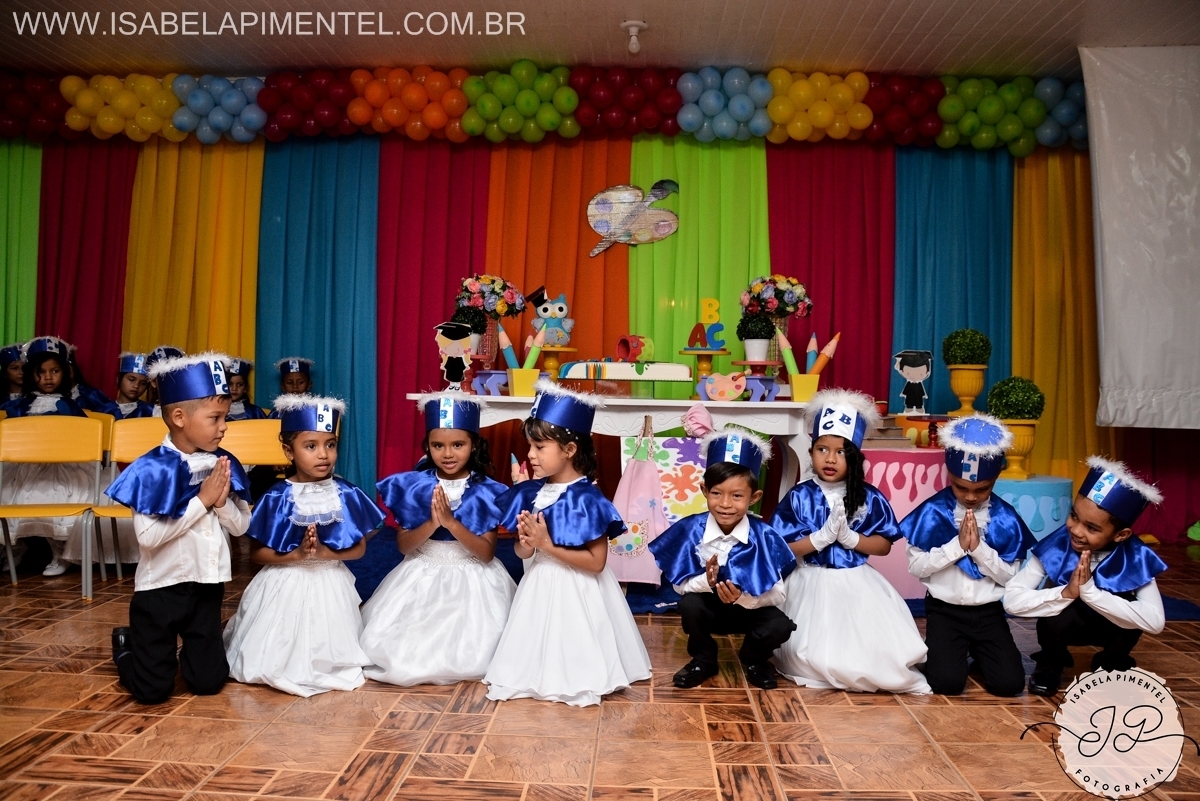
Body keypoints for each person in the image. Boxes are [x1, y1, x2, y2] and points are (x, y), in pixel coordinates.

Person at [484, 381, 651, 706]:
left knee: (574, 642)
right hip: (539, 584)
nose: (530, 454)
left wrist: (546, 544)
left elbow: (596, 563)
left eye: (539, 447)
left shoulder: (589, 500)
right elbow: (522, 551)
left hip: (580, 588)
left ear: (570, 449)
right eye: (530, 446)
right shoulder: (529, 493)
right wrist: (528, 543)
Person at [107, 352, 251, 705]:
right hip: (160, 590)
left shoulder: (224, 463)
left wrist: (222, 503)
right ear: (179, 417)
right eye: (215, 418)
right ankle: (127, 649)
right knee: (152, 691)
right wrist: (202, 501)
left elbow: (241, 527)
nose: (224, 426)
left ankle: (185, 657)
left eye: (225, 417)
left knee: (208, 682)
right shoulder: (150, 469)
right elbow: (149, 539)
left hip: (207, 587)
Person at [770, 388, 930, 693]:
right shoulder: (800, 496)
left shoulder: (869, 497)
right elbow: (782, 547)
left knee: (874, 649)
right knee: (810, 651)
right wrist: (819, 539)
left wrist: (850, 538)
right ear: (811, 452)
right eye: (822, 449)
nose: (830, 459)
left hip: (855, 579)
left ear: (855, 457)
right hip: (809, 579)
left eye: (841, 452)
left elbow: (883, 546)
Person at [224, 395, 380, 697]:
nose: (323, 454)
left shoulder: (347, 494)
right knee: (277, 647)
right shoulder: (276, 497)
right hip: (283, 583)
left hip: (331, 583)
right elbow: (256, 554)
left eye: (330, 445)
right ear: (288, 451)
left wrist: (323, 553)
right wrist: (296, 554)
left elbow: (359, 548)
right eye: (311, 446)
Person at [361, 393, 516, 685]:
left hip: (474, 575)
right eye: (438, 446)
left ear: (474, 444)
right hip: (423, 568)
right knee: (406, 645)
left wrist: (451, 523)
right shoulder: (414, 486)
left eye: (458, 445)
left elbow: (485, 554)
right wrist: (433, 522)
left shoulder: (488, 491)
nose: (447, 454)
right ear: (428, 446)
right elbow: (404, 546)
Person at [1005, 457, 1167, 696]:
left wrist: (1090, 593)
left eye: (1091, 528)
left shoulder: (1136, 556)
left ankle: (1111, 662)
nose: (1076, 530)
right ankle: (1051, 662)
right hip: (1069, 624)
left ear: (1121, 535)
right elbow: (1012, 601)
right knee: (1056, 613)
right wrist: (1065, 593)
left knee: (1134, 611)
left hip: (1109, 626)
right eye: (1074, 516)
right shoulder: (1056, 545)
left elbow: (1155, 621)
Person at [649, 429, 796, 690]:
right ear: (704, 490)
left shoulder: (764, 536)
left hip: (749, 610)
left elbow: (778, 595)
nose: (725, 504)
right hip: (709, 610)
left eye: (737, 496)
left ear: (754, 497)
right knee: (690, 605)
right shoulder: (690, 530)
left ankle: (754, 659)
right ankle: (703, 659)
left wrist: (741, 598)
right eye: (717, 493)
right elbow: (679, 587)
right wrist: (706, 582)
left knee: (779, 624)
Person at [903, 414, 1035, 696]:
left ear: (995, 478)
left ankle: (978, 654)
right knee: (946, 683)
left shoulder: (1006, 518)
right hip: (945, 611)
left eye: (982, 489)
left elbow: (1009, 577)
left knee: (1009, 684)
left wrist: (978, 549)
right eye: (961, 487)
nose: (971, 497)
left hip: (988, 613)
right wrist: (957, 547)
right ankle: (951, 653)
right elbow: (916, 568)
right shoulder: (931, 512)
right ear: (949, 476)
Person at [0, 336, 89, 577]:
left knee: (55, 495)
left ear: (65, 373)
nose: (48, 377)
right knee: (9, 493)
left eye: (55, 371)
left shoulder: (69, 405)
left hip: (62, 465)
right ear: (32, 374)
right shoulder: (21, 406)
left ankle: (60, 552)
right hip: (27, 464)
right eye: (41, 372)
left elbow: (83, 435)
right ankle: (15, 548)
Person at [101, 352, 155, 419]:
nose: (136, 386)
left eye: (143, 383)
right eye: (131, 380)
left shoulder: (150, 411)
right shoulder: (103, 410)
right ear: (118, 379)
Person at [144, 345, 185, 415]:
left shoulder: (191, 409)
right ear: (153, 382)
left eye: (177, 377)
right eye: (166, 378)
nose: (173, 382)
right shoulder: (144, 411)